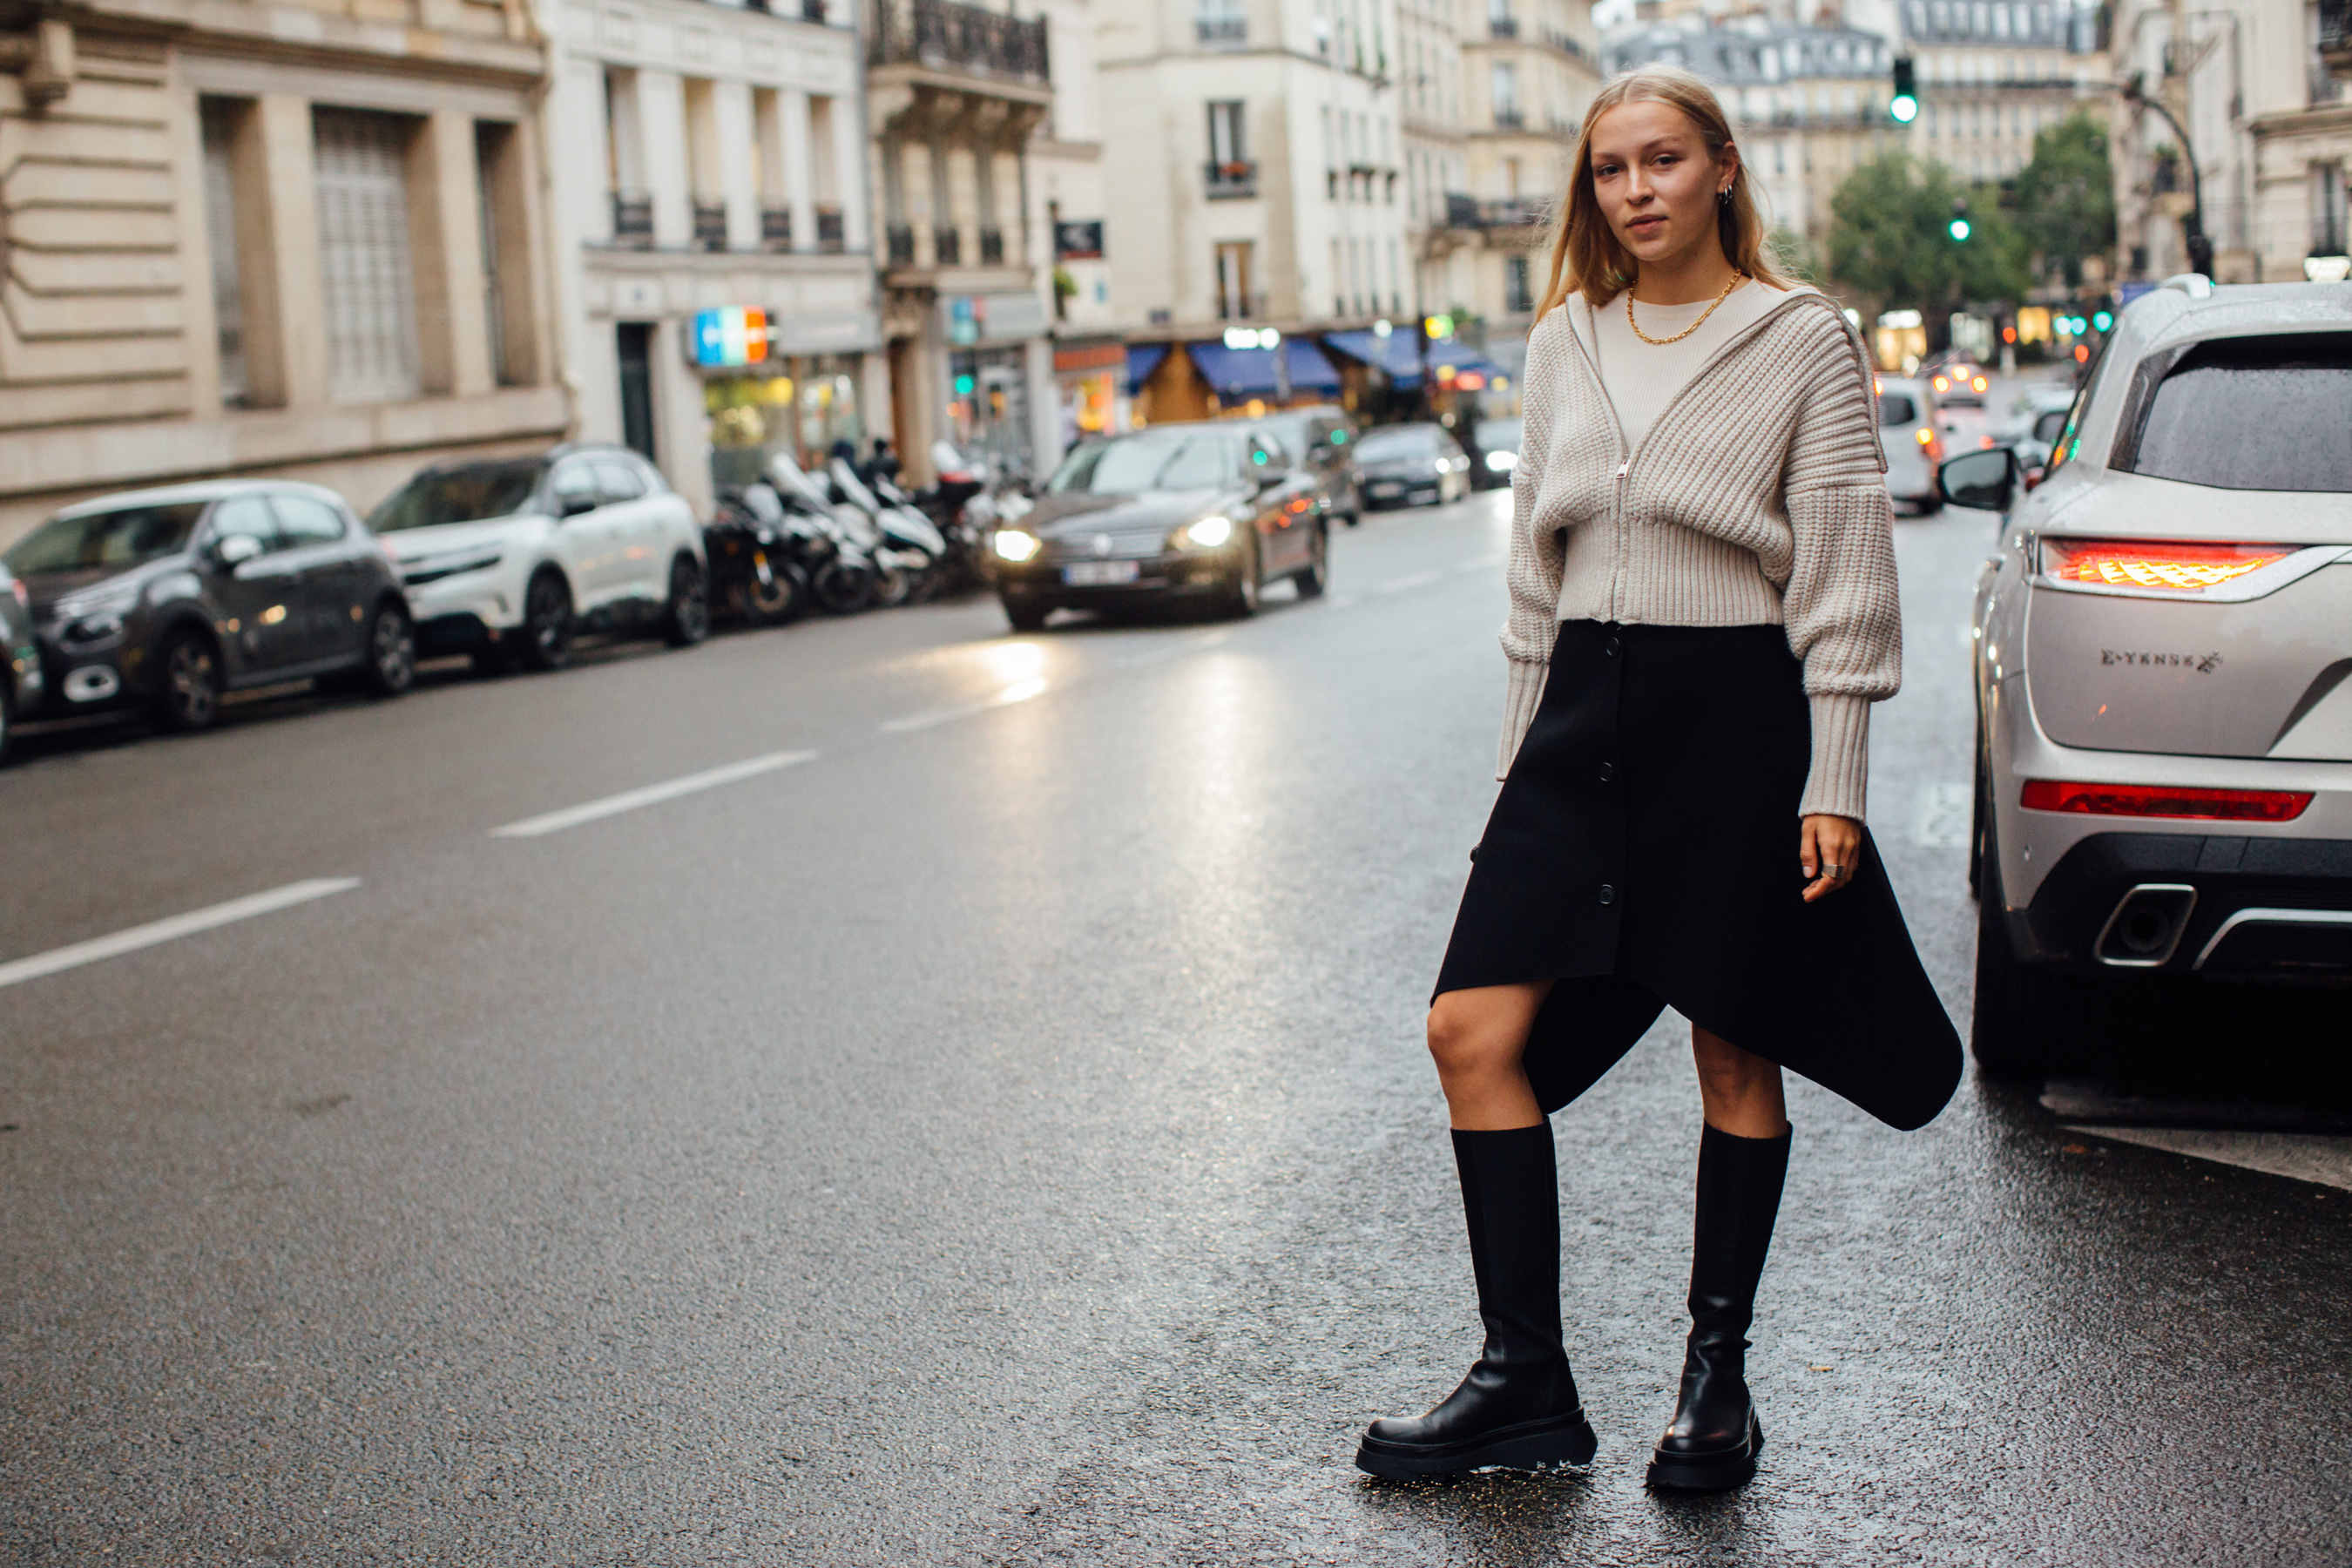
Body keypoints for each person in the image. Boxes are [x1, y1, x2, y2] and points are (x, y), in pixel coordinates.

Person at [1355, 64, 1961, 1493]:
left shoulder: (1802, 337)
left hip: (1734, 715)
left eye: (1664, 160)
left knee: (1735, 1037)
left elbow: (1847, 572)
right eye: (1613, 167)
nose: (1636, 190)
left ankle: (1716, 1386)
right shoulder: (1564, 337)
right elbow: (1530, 584)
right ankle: (1524, 1384)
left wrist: (1839, 778)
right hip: (1580, 715)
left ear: (1724, 170)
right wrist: (1515, 784)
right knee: (1469, 1030)